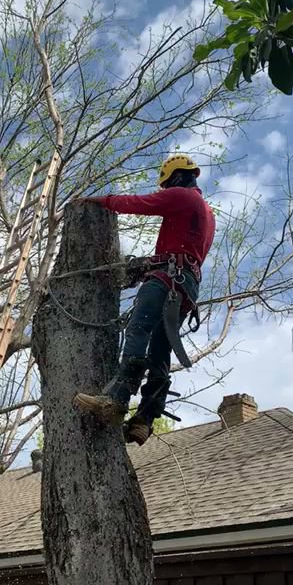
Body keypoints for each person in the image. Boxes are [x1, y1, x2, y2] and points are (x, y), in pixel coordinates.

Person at [74, 154, 215, 445]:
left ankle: (116, 399)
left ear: (175, 177)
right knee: (161, 351)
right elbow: (183, 248)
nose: (164, 191)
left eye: (166, 185)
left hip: (167, 279)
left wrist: (100, 200)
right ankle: (145, 419)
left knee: (138, 330)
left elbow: (137, 203)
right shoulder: (205, 212)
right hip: (186, 285)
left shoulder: (181, 196)